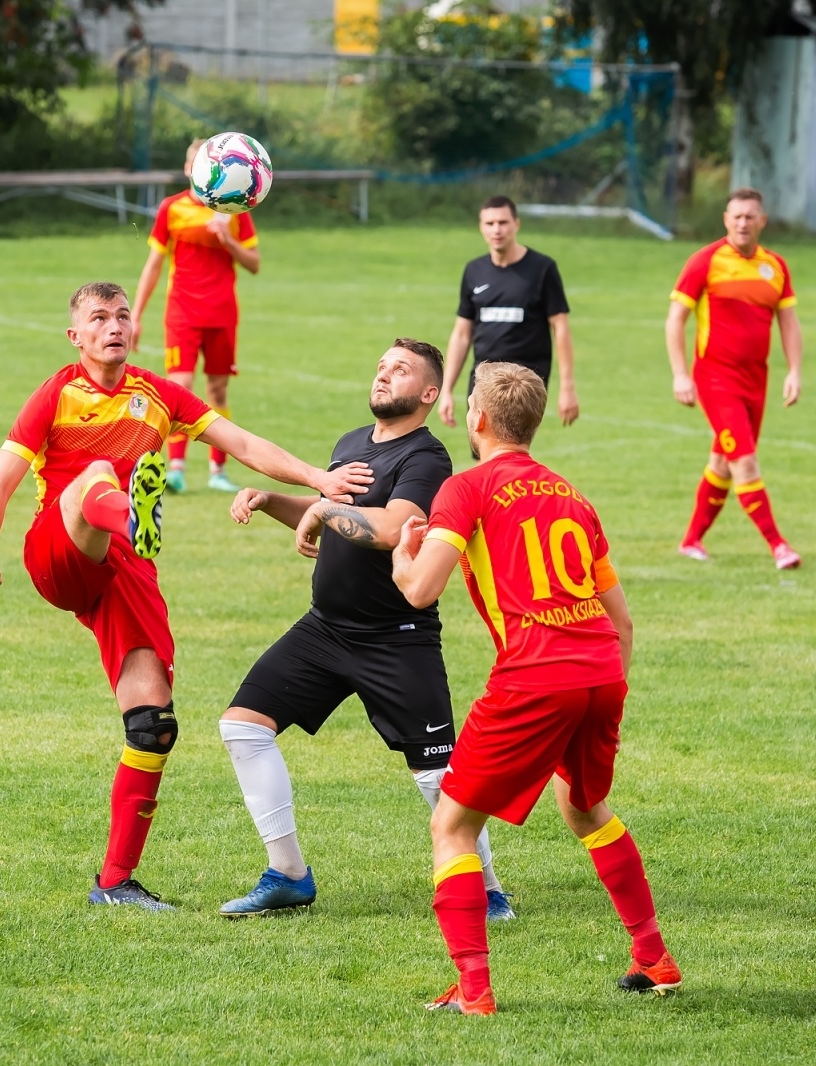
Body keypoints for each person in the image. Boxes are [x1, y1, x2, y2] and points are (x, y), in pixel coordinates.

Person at [0, 281, 371, 911]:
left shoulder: (159, 395)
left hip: (127, 571)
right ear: (76, 337)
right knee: (96, 473)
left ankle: (115, 883)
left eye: (123, 315)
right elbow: (1, 477)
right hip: (60, 548)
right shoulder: (57, 394)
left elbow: (243, 444)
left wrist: (319, 478)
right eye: (98, 318)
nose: (114, 326)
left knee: (153, 724)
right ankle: (126, 507)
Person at [391, 362, 680, 1014]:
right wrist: (606, 690)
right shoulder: (572, 495)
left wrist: (402, 555)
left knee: (453, 825)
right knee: (584, 807)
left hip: (535, 674)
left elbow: (420, 589)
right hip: (601, 672)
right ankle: (654, 958)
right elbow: (622, 619)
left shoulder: (466, 488)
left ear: (479, 420)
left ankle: (474, 991)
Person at [218, 339, 512, 920]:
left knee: (435, 772)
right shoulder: (351, 444)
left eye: (399, 371)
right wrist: (276, 499)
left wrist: (324, 511)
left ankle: (486, 888)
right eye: (380, 366)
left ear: (429, 394)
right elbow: (328, 516)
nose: (383, 376)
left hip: (397, 637)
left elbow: (389, 528)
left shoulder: (427, 459)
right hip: (326, 631)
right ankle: (289, 875)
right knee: (242, 728)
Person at [667, 187, 804, 570]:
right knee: (744, 461)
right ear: (725, 219)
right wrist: (680, 375)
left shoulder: (775, 266)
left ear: (763, 221)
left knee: (724, 460)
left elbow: (789, 323)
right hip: (715, 379)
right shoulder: (705, 262)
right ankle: (779, 546)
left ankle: (691, 540)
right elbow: (675, 319)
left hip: (755, 381)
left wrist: (794, 370)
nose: (743, 223)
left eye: (750, 216)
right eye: (736, 216)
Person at [130, 139, 260, 495]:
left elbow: (254, 264)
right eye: (194, 163)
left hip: (222, 314)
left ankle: (218, 470)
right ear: (190, 169)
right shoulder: (171, 209)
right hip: (182, 313)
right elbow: (153, 265)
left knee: (217, 390)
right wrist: (136, 316)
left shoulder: (235, 210)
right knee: (180, 386)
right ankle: (176, 468)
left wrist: (228, 241)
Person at [437, 195, 578, 430]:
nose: (497, 230)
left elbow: (560, 328)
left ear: (516, 224)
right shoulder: (474, 271)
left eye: (503, 222)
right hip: (483, 379)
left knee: (511, 450)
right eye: (490, 224)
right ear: (481, 227)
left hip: (526, 381)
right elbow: (462, 334)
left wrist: (568, 387)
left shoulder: (542, 269)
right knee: (484, 454)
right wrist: (447, 390)